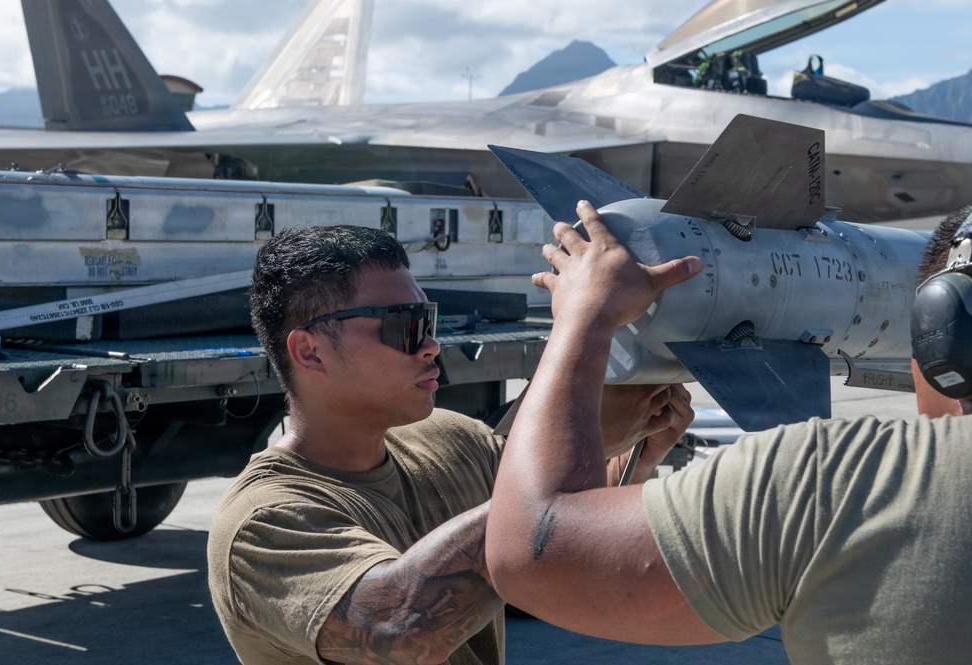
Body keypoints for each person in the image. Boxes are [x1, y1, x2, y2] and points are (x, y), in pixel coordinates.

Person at [485, 202, 972, 663]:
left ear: (941, 330)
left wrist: (586, 317)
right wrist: (635, 471)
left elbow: (532, 553)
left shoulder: (843, 483)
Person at [206, 223, 694, 665]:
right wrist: (584, 319)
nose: (430, 345)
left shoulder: (451, 439)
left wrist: (631, 458)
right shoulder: (262, 520)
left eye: (429, 319)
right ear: (309, 351)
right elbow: (401, 629)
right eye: (404, 326)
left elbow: (553, 531)